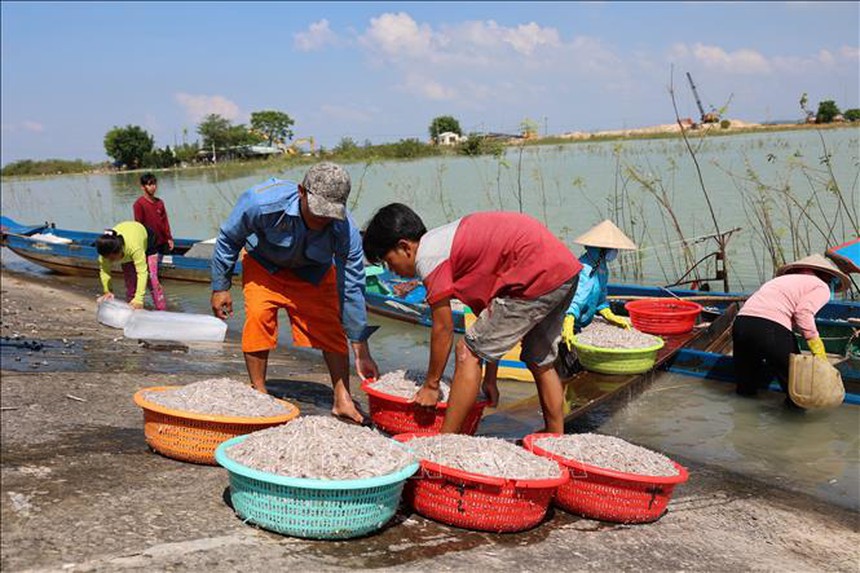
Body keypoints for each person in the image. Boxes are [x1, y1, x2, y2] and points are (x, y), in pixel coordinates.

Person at [362, 204, 582, 434]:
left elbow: (443, 328)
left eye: (389, 261)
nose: (392, 270)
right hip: (562, 271)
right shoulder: (447, 243)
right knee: (540, 361)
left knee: (466, 352)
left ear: (404, 247)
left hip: (533, 273)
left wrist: (431, 385)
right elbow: (488, 317)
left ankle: (445, 444)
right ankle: (555, 439)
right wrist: (490, 378)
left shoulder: (428, 258)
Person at [210, 162, 378, 423]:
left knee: (331, 326)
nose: (322, 220)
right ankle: (259, 392)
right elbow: (229, 238)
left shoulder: (345, 230)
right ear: (302, 192)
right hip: (264, 265)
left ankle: (342, 399)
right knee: (258, 317)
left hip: (313, 272)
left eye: (330, 214)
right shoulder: (260, 203)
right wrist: (220, 287)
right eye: (318, 211)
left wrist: (361, 347)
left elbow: (352, 285)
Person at [732, 254, 850, 406]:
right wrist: (817, 347)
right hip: (770, 329)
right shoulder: (821, 286)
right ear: (826, 276)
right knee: (798, 392)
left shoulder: (778, 281)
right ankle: (795, 426)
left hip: (741, 324)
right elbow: (803, 313)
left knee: (745, 390)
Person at [559, 220, 638, 373]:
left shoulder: (602, 268)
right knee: (566, 364)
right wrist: (568, 320)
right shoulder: (584, 268)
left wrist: (610, 315)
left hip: (579, 324)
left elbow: (601, 299)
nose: (614, 252)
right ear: (601, 249)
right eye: (611, 249)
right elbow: (577, 299)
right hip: (565, 323)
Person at [96, 221, 166, 310]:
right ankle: (131, 306)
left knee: (152, 282)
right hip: (125, 243)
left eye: (112, 259)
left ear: (120, 251)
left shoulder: (134, 248)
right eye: (108, 258)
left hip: (147, 240)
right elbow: (105, 272)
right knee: (130, 282)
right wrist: (108, 291)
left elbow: (142, 273)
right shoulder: (104, 254)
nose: (110, 261)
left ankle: (161, 310)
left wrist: (139, 299)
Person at [133, 172, 174, 254]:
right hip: (150, 243)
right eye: (150, 184)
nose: (153, 187)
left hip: (163, 241)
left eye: (154, 184)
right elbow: (139, 226)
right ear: (143, 187)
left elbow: (165, 222)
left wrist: (169, 238)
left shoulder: (160, 202)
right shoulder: (139, 204)